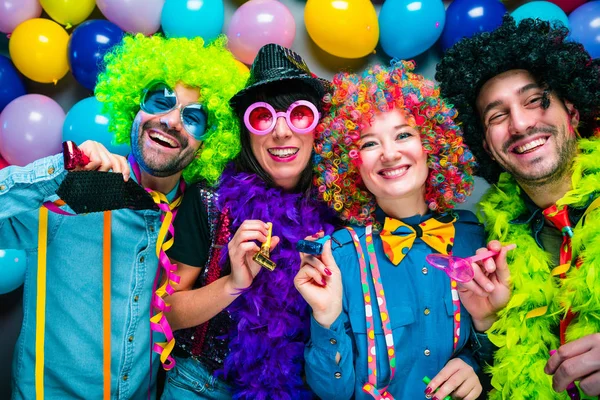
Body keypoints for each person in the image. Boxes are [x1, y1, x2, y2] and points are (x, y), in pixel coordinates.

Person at [1, 34, 246, 399]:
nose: (172, 122)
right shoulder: (69, 192)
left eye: (194, 118)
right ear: (135, 107)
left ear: (207, 143)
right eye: (159, 100)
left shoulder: (202, 222)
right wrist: (60, 171)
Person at [294, 60, 503, 400]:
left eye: (404, 134)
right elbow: (332, 392)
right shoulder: (340, 255)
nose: (389, 154)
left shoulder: (473, 235)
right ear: (351, 164)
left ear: (432, 144)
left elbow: (508, 349)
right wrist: (325, 316)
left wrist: (474, 360)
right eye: (368, 143)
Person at [436, 16, 600, 399]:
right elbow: (514, 370)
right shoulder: (493, 240)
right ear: (485, 144)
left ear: (572, 112)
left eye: (534, 101)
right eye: (497, 115)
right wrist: (486, 324)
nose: (521, 123)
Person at [161, 44, 337, 399]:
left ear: (318, 126)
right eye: (263, 117)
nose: (282, 132)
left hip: (302, 388)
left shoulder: (341, 205)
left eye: (299, 114)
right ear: (246, 131)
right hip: (201, 386)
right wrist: (232, 284)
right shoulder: (210, 200)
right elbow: (167, 312)